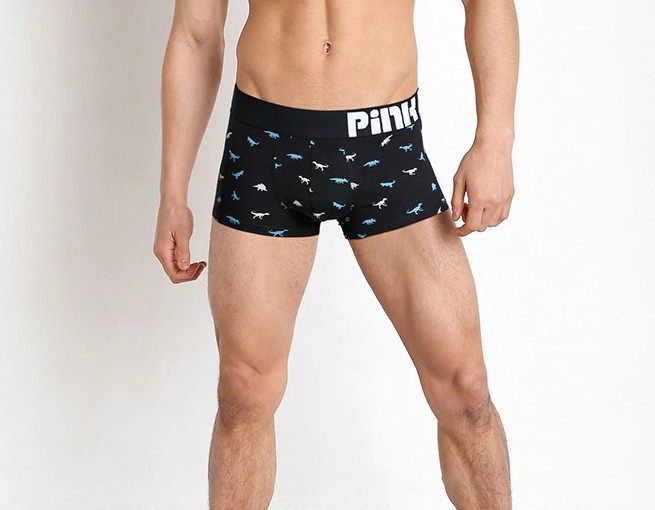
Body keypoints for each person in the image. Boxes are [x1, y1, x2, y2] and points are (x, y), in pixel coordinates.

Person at [153, 0, 518, 508]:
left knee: (466, 388)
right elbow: (196, 34)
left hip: (386, 143)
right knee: (243, 391)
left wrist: (495, 143)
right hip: (264, 146)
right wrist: (173, 193)